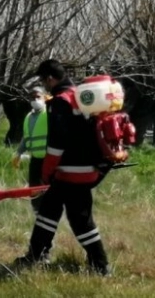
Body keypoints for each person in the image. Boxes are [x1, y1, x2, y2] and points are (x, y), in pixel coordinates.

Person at [14, 59, 111, 276]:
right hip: (86, 167)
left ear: (50, 78)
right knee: (48, 210)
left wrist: (46, 172)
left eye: (43, 80)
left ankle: (101, 265)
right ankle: (35, 255)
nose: (44, 85)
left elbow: (57, 144)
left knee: (80, 220)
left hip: (72, 171)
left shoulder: (60, 101)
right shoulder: (81, 96)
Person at [12, 87, 48, 214]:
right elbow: (26, 138)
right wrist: (18, 153)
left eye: (38, 96)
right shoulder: (28, 117)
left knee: (49, 188)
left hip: (49, 158)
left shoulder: (48, 113)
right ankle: (36, 213)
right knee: (33, 187)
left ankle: (51, 214)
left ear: (44, 97)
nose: (35, 99)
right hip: (35, 159)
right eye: (32, 97)